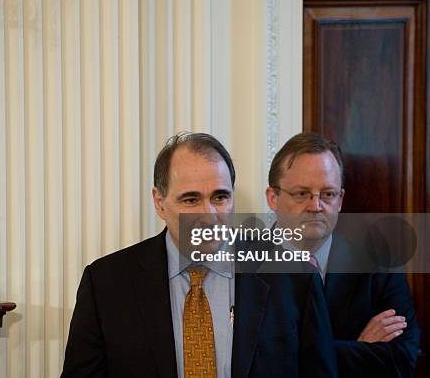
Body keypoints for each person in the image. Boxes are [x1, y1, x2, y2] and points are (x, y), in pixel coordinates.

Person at [62, 132, 337, 378]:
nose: (210, 215)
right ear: (160, 202)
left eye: (220, 197)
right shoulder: (107, 284)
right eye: (191, 199)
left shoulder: (293, 277)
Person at [265, 132, 421, 377]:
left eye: (327, 194)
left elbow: (402, 360)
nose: (315, 206)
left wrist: (301, 355)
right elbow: (253, 363)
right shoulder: (242, 268)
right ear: (273, 198)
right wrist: (359, 349)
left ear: (340, 200)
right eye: (301, 193)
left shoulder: (379, 268)